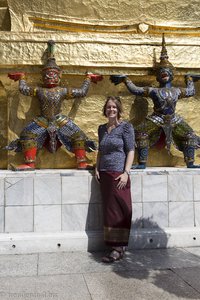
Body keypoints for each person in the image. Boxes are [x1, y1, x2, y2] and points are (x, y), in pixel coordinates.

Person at [7, 40, 103, 171]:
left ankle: (81, 162)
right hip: (43, 120)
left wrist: (88, 79)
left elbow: (81, 92)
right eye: (47, 75)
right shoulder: (39, 90)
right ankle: (30, 163)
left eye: (53, 75)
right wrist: (22, 78)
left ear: (59, 76)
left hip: (59, 119)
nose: (50, 77)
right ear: (42, 77)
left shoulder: (63, 91)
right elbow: (24, 89)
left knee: (78, 135)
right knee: (27, 134)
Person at [110, 34, 200, 169]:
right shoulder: (154, 91)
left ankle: (190, 162)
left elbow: (191, 91)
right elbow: (136, 90)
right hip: (156, 118)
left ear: (172, 75)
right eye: (162, 72)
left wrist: (189, 80)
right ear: (158, 76)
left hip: (174, 119)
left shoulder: (177, 91)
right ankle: (141, 163)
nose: (164, 73)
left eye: (167, 72)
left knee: (190, 136)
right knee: (139, 134)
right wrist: (126, 79)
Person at [95, 96, 135, 263]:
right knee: (109, 211)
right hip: (104, 174)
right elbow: (100, 150)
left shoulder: (125, 127)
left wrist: (126, 172)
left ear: (118, 110)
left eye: (114, 107)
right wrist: (96, 167)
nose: (111, 110)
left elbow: (131, 150)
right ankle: (113, 246)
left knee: (121, 209)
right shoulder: (102, 128)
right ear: (105, 110)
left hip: (119, 174)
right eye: (109, 107)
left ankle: (119, 247)